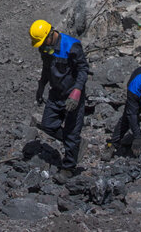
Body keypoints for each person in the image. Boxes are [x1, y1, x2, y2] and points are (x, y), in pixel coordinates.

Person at [29, 19, 90, 176]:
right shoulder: (45, 47)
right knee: (48, 125)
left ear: (50, 34)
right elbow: (46, 68)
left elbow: (83, 69)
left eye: (43, 42)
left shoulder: (71, 45)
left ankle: (69, 167)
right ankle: (74, 144)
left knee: (72, 130)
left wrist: (77, 91)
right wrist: (41, 86)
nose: (42, 46)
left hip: (72, 94)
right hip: (56, 94)